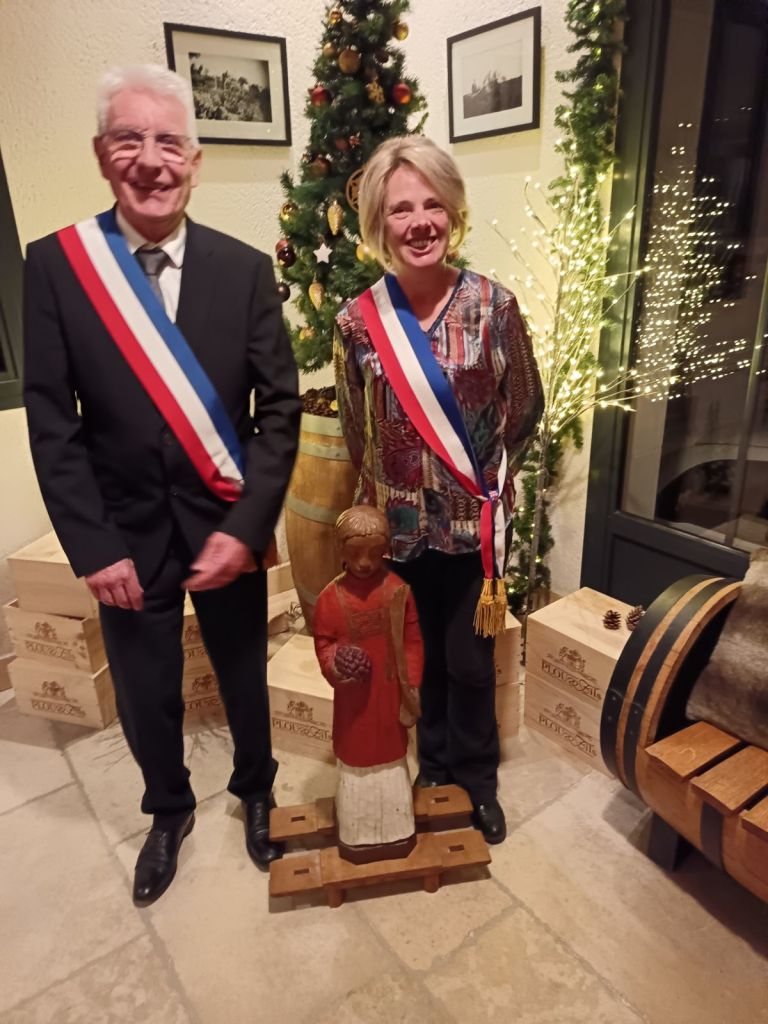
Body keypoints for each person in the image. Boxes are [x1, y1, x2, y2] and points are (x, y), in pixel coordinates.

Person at [23, 65, 301, 905]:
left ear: (195, 160)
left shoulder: (245, 270)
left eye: (169, 141)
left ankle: (256, 791)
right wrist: (91, 544)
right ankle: (168, 809)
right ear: (101, 154)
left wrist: (247, 526)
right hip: (123, 531)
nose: (151, 159)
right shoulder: (58, 266)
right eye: (129, 139)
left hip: (224, 519)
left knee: (244, 672)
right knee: (147, 691)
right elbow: (52, 418)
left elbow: (279, 410)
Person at [334, 136, 543, 845]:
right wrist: (385, 490)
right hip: (396, 531)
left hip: (471, 526)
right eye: (401, 209)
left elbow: (526, 406)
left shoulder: (493, 306)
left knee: (470, 662)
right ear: (379, 223)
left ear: (453, 211)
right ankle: (435, 766)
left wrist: (491, 484)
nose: (420, 222)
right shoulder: (356, 322)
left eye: (433, 204)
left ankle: (477, 779)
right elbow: (356, 428)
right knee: (416, 659)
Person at [313, 505, 423, 864]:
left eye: (374, 553)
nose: (364, 562)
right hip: (355, 701)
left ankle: (396, 828)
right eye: (355, 552)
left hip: (389, 695)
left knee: (392, 756)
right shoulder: (330, 598)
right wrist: (337, 661)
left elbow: (412, 641)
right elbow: (324, 642)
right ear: (340, 550)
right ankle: (357, 829)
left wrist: (412, 682)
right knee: (356, 754)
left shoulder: (398, 591)